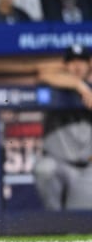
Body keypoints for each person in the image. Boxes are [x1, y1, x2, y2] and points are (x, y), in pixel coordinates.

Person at [34, 44, 92, 210]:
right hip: (57, 164)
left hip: (86, 168)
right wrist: (79, 85)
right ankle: (52, 220)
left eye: (81, 61)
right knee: (45, 168)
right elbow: (43, 74)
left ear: (89, 63)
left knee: (79, 225)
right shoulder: (55, 84)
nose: (77, 66)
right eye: (72, 61)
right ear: (65, 65)